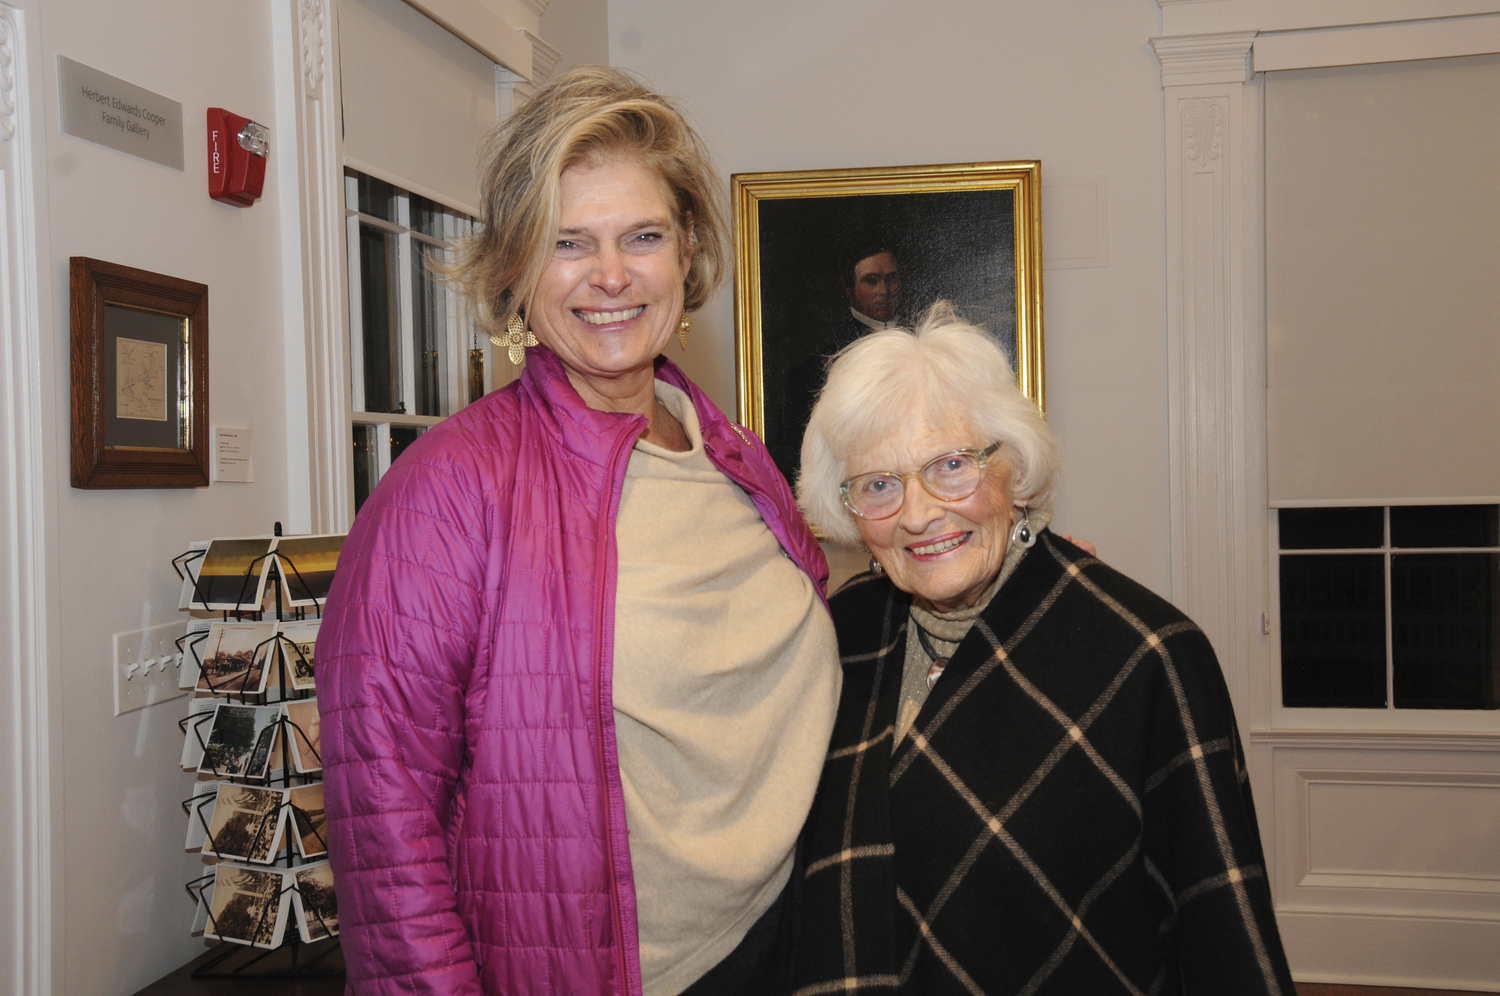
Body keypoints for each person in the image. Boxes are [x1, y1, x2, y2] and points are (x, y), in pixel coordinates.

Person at [318, 67, 841, 996]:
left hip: (790, 940)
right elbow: (385, 829)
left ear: (687, 253)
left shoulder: (732, 453)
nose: (611, 275)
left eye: (641, 236)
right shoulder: (448, 489)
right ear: (517, 269)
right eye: (569, 243)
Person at [791, 301, 1296, 995]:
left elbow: (1222, 930)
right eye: (878, 485)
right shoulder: (841, 635)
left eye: (950, 465)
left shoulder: (1146, 657)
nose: (916, 513)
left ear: (1014, 470)